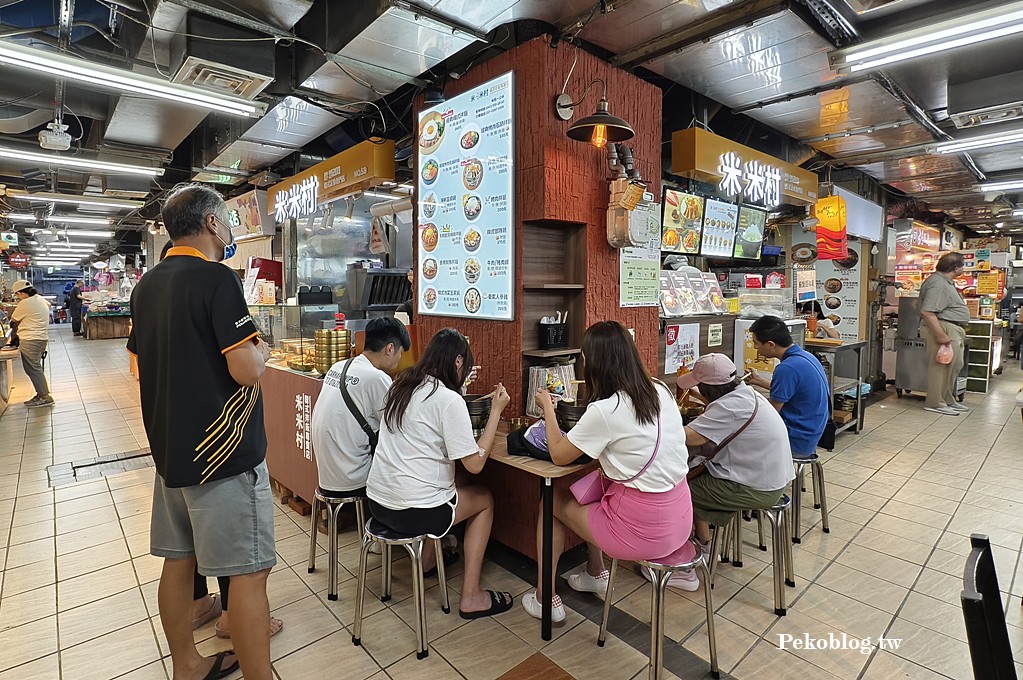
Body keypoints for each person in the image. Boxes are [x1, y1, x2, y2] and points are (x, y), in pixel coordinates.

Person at [128, 183, 275, 680]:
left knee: (178, 560)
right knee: (249, 574)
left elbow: (139, 367)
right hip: (224, 460)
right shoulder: (217, 280)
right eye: (228, 219)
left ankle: (187, 665)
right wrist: (262, 353)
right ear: (212, 223)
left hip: (171, 454)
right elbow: (245, 369)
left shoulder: (146, 286)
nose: (231, 228)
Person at [524, 321, 695, 622]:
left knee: (551, 502)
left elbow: (559, 455)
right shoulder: (660, 390)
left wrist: (548, 411)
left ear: (594, 363)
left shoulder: (605, 410)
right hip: (680, 518)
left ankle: (544, 597)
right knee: (594, 491)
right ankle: (595, 571)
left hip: (641, 531)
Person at [366, 328, 515, 619]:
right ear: (458, 362)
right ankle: (471, 596)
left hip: (377, 502)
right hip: (413, 513)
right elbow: (475, 464)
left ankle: (427, 562)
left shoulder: (402, 385)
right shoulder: (448, 399)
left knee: (454, 482)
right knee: (484, 498)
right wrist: (496, 411)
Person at [677, 354, 795, 557]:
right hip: (773, 478)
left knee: (682, 491)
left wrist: (658, 420)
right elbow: (723, 407)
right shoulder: (746, 394)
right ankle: (703, 542)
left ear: (709, 388)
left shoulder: (729, 407)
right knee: (696, 481)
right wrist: (698, 396)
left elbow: (690, 438)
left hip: (758, 488)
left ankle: (693, 555)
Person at [311, 316, 410, 496]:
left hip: (326, 475)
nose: (399, 359)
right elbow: (399, 427)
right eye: (400, 352)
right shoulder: (376, 378)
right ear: (389, 349)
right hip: (353, 478)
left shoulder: (338, 366)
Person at [746, 316, 830, 459]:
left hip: (796, 440)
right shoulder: (805, 357)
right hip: (812, 432)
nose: (755, 348)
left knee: (737, 440)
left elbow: (771, 413)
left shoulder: (787, 368)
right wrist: (758, 381)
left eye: (756, 343)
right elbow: (790, 391)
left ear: (771, 344)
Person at [917, 251, 970, 416]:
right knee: (940, 367)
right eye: (963, 265)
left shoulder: (945, 282)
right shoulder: (938, 283)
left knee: (954, 366)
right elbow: (927, 311)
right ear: (955, 268)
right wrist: (940, 334)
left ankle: (947, 399)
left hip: (950, 327)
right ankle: (935, 402)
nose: (964, 269)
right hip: (942, 327)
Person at [10, 279, 53, 407]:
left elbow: (14, 319)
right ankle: (40, 393)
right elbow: (48, 305)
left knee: (33, 368)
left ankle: (45, 396)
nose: (17, 298)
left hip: (30, 339)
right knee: (33, 367)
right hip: (40, 338)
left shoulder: (25, 303)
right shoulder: (40, 299)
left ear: (22, 293)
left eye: (17, 295)